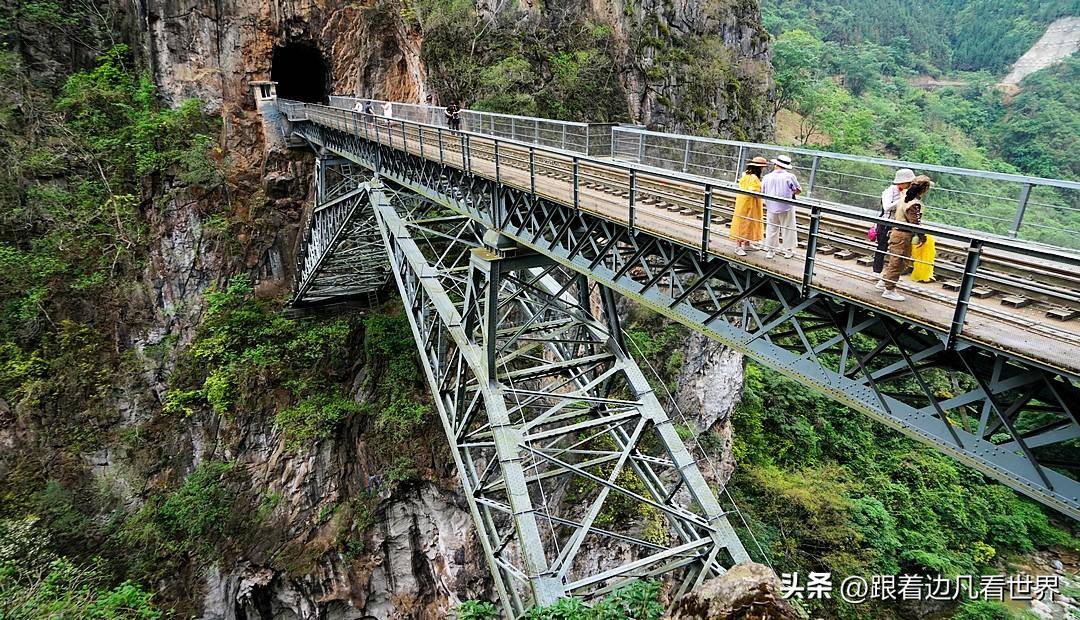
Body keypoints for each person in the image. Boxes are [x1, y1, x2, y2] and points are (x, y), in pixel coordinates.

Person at [879, 175, 933, 301]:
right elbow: (915, 223)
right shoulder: (914, 204)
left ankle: (884, 281)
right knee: (898, 263)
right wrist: (922, 237)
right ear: (924, 190)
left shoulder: (904, 197)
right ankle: (889, 289)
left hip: (896, 233)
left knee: (895, 261)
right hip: (903, 236)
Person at [874, 169, 916, 275]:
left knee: (895, 251)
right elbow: (887, 207)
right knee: (882, 247)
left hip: (897, 224)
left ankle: (888, 275)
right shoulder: (890, 191)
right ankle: (876, 271)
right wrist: (903, 199)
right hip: (886, 223)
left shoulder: (906, 192)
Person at [761, 155, 802, 259]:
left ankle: (770, 250)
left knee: (771, 228)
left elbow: (763, 191)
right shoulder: (790, 177)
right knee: (788, 227)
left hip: (771, 206)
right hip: (786, 206)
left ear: (776, 165)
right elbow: (798, 190)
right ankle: (788, 251)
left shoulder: (767, 177)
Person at [729, 156, 768, 256]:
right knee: (744, 223)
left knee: (746, 222)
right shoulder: (754, 178)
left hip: (743, 202)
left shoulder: (746, 175)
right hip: (749, 203)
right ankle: (738, 247)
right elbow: (753, 191)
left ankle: (746, 243)